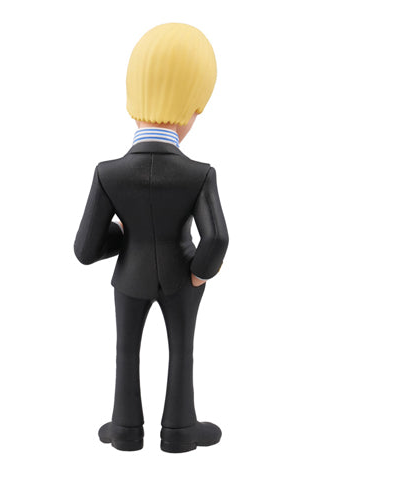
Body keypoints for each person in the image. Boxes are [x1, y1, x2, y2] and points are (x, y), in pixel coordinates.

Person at [74, 23, 229, 453]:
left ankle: (125, 429)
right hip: (183, 277)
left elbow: (85, 249)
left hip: (129, 278)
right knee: (182, 352)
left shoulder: (109, 173)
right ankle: (179, 431)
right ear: (193, 107)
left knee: (126, 352)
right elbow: (217, 238)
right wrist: (200, 273)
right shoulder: (199, 174)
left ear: (133, 97)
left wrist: (123, 235)